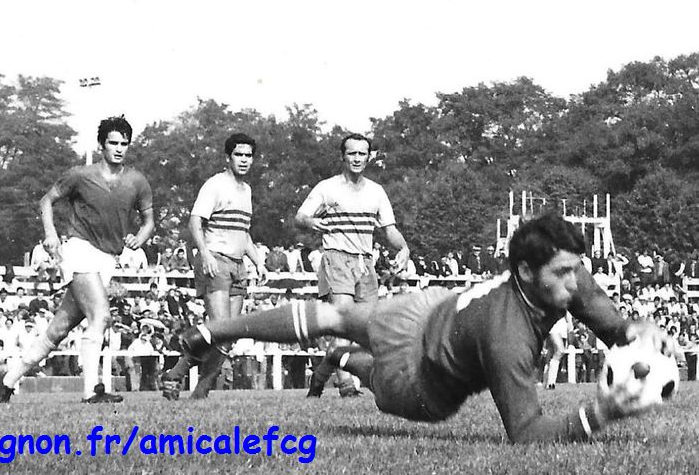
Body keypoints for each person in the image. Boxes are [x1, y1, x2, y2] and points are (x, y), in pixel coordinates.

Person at [175, 214, 678, 443]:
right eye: (563, 273)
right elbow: (526, 434)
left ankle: (320, 353)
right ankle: (338, 359)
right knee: (351, 345)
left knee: (334, 319)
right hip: (419, 377)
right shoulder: (507, 337)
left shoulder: (562, 277)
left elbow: (610, 323)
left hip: (433, 309)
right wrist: (600, 414)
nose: (575, 282)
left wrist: (640, 332)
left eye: (576, 269)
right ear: (525, 272)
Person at [0, 116, 153, 404]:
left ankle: (6, 382)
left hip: (108, 259)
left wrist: (140, 238)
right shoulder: (80, 175)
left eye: (124, 144)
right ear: (101, 145)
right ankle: (92, 390)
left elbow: (149, 221)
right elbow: (46, 201)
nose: (119, 149)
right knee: (101, 316)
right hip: (79, 250)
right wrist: (51, 233)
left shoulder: (137, 181)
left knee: (57, 330)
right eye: (113, 143)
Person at [298, 133, 410, 399]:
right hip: (337, 257)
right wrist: (312, 223)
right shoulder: (328, 188)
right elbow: (300, 216)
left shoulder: (376, 191)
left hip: (365, 262)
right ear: (343, 156)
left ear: (369, 157)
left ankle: (320, 378)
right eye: (352, 153)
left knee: (364, 330)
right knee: (343, 323)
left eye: (362, 153)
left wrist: (404, 248)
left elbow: (389, 229)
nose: (357, 158)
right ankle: (346, 386)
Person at [162, 132, 267, 400]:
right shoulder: (215, 185)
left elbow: (243, 231)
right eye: (238, 155)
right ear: (227, 157)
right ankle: (177, 376)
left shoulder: (247, 191)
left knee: (228, 335)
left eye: (248, 156)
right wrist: (205, 254)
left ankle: (197, 389)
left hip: (238, 264)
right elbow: (195, 221)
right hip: (216, 260)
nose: (244, 160)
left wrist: (258, 261)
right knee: (220, 328)